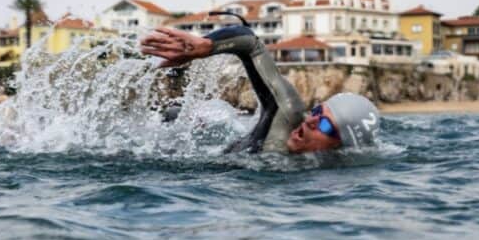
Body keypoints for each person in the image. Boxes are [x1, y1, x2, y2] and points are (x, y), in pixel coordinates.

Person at [141, 24, 380, 154]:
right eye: (317, 112)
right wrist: (207, 45)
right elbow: (251, 43)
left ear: (342, 147)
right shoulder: (287, 114)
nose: (309, 122)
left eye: (326, 125)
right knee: (174, 115)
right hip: (202, 154)